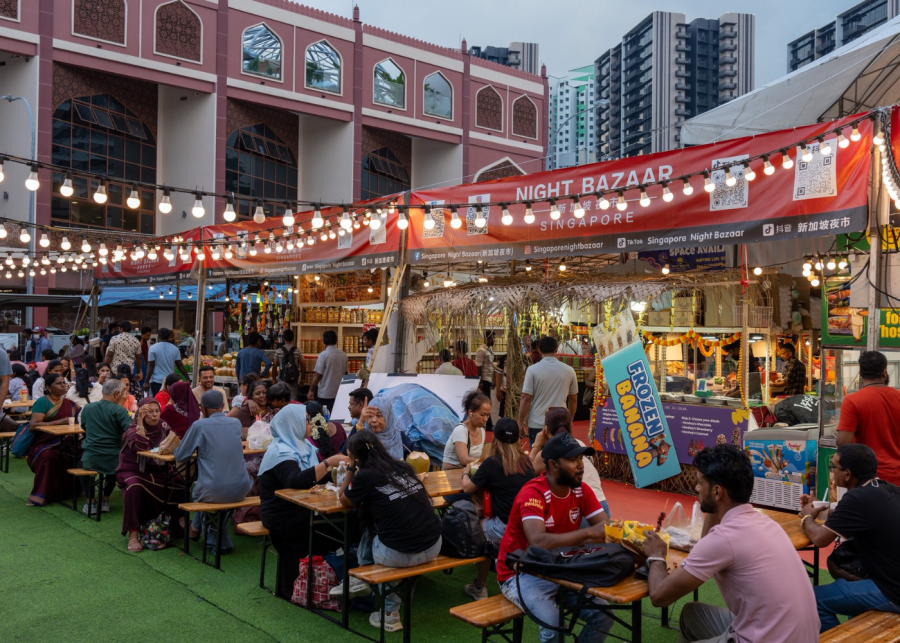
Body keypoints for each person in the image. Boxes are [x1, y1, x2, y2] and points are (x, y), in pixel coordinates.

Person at [642, 444, 818, 643]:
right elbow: (706, 544)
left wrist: (656, 555)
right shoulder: (765, 522)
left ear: (717, 492)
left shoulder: (725, 538)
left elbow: (659, 597)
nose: (696, 488)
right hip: (805, 637)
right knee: (692, 615)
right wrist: (712, 506)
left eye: (700, 482)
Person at [496, 433, 611, 643]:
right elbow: (538, 540)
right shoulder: (532, 494)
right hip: (520, 573)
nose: (580, 465)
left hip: (560, 568)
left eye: (581, 459)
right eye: (572, 460)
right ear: (553, 465)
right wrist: (587, 534)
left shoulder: (581, 490)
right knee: (555, 625)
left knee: (603, 614)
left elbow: (607, 527)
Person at [340, 429, 443, 633]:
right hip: (433, 546)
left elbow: (343, 498)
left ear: (357, 457)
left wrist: (351, 468)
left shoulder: (366, 476)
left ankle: (384, 607)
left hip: (400, 554)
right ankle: (362, 582)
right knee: (389, 530)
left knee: (374, 529)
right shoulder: (403, 467)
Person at [798, 443, 900, 631]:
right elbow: (849, 515)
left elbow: (820, 539)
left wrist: (806, 516)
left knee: (810, 600)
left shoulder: (857, 498)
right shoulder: (888, 489)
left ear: (847, 473)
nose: (832, 472)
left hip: (891, 591)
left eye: (834, 467)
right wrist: (818, 509)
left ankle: (836, 637)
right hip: (890, 580)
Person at [259, 404, 349, 598]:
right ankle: (337, 579)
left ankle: (342, 577)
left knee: (348, 520)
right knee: (339, 525)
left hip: (301, 510)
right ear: (294, 424)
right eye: (306, 420)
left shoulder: (305, 446)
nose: (310, 423)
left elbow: (317, 479)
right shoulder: (280, 452)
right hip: (283, 516)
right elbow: (295, 480)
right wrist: (327, 463)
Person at [460, 417, 535, 600]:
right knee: (486, 523)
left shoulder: (492, 462)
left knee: (476, 528)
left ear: (495, 439)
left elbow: (467, 488)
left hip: (504, 529)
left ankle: (480, 586)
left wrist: (464, 471)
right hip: (528, 529)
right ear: (518, 439)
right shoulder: (527, 463)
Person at [174, 390, 252, 554]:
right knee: (211, 494)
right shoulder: (235, 423)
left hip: (214, 489)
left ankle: (196, 528)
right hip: (242, 488)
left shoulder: (199, 425)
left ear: (203, 408)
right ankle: (209, 536)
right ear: (223, 406)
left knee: (202, 492)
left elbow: (181, 454)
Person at [117, 397, 186, 552]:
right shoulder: (132, 429)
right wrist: (140, 421)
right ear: (141, 414)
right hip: (133, 470)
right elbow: (140, 447)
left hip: (158, 469)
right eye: (150, 412)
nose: (155, 415)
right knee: (134, 486)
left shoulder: (162, 426)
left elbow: (175, 442)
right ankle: (133, 534)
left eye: (157, 411)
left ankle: (176, 527)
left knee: (180, 483)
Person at [834, 350, 900, 485]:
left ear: (860, 374)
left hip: (868, 480)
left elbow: (843, 443)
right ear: (884, 372)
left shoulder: (852, 401)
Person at [531, 407, 610, 517]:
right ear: (571, 426)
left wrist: (537, 445)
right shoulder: (580, 444)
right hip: (603, 506)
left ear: (546, 429)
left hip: (580, 509)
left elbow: (527, 472)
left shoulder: (547, 451)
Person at [79, 378, 133, 515]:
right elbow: (130, 431)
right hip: (113, 457)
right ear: (116, 394)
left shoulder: (88, 408)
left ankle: (90, 501)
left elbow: (84, 427)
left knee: (81, 465)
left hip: (91, 457)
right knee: (116, 466)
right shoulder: (120, 411)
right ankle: (105, 499)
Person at [25, 373, 77, 507]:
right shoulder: (43, 402)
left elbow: (79, 418)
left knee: (78, 454)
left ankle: (70, 491)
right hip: (45, 443)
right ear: (48, 387)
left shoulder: (68, 403)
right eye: (59, 383)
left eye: (64, 382)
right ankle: (39, 495)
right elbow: (34, 425)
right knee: (48, 457)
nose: (63, 385)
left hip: (66, 442)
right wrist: (59, 422)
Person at [518, 336, 578, 445]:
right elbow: (573, 400)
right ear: (556, 349)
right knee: (558, 458)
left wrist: (520, 422)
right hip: (560, 423)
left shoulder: (532, 370)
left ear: (539, 350)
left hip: (537, 423)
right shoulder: (569, 371)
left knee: (536, 457)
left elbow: (526, 397)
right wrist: (569, 421)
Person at [442, 390, 489, 471]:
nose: (485, 419)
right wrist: (486, 461)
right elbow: (463, 460)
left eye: (488, 415)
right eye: (482, 415)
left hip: (467, 473)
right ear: (470, 412)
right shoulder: (460, 430)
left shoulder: (482, 432)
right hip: (450, 474)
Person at [308, 330, 347, 412]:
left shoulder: (323, 355)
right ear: (336, 340)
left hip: (325, 393)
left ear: (324, 341)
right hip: (339, 392)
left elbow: (318, 375)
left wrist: (311, 390)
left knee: (324, 417)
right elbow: (346, 374)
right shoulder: (344, 355)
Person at [146, 328, 189, 396]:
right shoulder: (175, 349)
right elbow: (179, 365)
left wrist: (146, 382)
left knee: (158, 402)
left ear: (159, 336)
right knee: (170, 401)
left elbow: (151, 366)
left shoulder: (153, 348)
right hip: (170, 381)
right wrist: (187, 378)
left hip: (156, 381)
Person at [273, 329, 304, 401]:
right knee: (293, 399)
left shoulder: (279, 350)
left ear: (283, 339)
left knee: (281, 398)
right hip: (293, 378)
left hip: (281, 378)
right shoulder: (297, 350)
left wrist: (274, 378)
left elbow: (274, 365)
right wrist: (302, 378)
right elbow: (303, 365)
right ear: (293, 339)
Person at [341, 387, 373, 453]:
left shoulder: (366, 426)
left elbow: (345, 451)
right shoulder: (359, 423)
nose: (349, 407)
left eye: (351, 404)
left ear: (361, 405)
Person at [475, 331, 496, 429]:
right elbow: (478, 367)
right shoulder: (481, 350)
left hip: (489, 378)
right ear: (488, 339)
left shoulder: (489, 350)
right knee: (486, 402)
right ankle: (488, 423)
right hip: (484, 380)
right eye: (493, 338)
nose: (494, 340)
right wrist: (480, 382)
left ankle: (488, 422)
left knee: (487, 401)